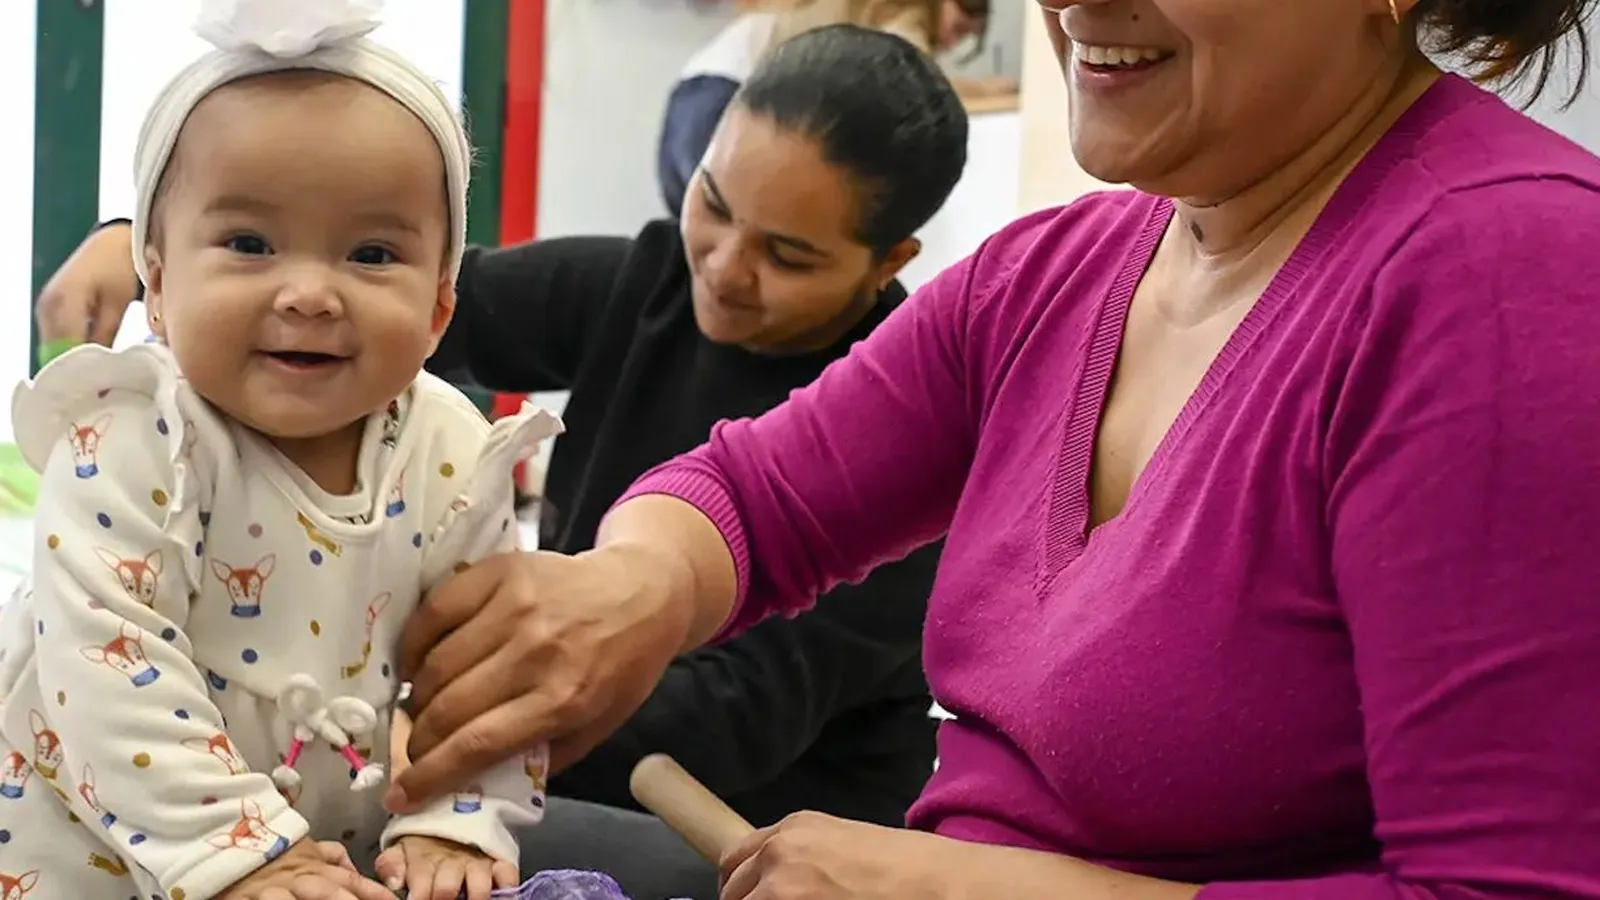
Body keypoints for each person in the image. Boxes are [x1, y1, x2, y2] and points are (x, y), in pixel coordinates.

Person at [385, 0, 1600, 897]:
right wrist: (633, 589)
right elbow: (752, 497)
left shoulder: (1505, 279)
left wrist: (960, 885)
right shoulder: (1058, 273)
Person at [32, 23, 970, 900]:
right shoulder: (133, 438)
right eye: (714, 206)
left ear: (889, 258)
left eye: (789, 255)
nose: (723, 267)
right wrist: (150, 246)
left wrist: (455, 796)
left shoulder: (906, 436)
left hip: (755, 821)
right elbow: (373, 262)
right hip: (201, 829)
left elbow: (723, 719)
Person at [0, 2, 562, 899]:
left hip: (314, 851)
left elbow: (487, 660)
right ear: (156, 281)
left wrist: (454, 815)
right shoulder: (130, 439)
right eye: (249, 244)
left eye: (371, 254)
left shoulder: (450, 450)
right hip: (79, 848)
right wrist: (242, 855)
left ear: (439, 307)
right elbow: (111, 670)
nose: (308, 293)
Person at [657, 0, 993, 217]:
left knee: (700, 232)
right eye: (959, 28)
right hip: (733, 90)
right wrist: (996, 90)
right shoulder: (910, 10)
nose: (954, 41)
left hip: (700, 86)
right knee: (747, 224)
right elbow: (921, 86)